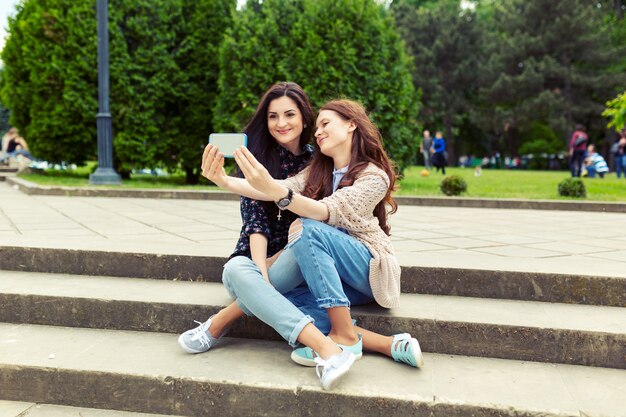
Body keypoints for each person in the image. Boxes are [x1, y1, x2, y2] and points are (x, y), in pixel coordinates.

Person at [184, 99, 422, 390]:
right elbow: (272, 187)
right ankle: (376, 344)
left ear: (351, 124)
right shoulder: (317, 170)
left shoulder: (373, 176)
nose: (318, 132)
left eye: (326, 124)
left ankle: (220, 323)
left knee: (308, 228)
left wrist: (281, 194)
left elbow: (328, 211)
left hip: (365, 271)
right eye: (317, 126)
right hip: (325, 277)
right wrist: (224, 181)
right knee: (237, 270)